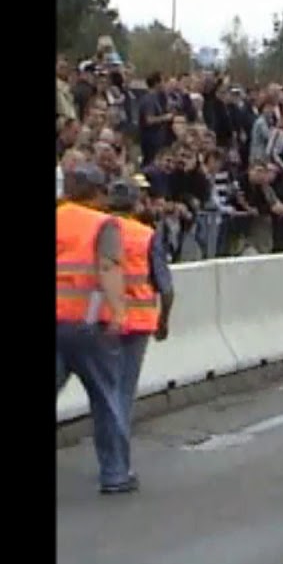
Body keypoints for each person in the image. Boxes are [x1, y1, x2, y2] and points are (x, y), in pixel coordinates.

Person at [56, 165, 137, 495]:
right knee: (107, 397)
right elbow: (108, 267)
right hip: (89, 324)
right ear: (99, 193)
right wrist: (118, 312)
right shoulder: (104, 224)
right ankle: (115, 473)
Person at [104, 178, 175, 432]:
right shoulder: (146, 235)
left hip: (104, 319)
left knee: (106, 387)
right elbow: (165, 288)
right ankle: (117, 456)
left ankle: (109, 444)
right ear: (136, 204)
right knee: (124, 389)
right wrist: (163, 321)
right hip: (138, 322)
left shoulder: (96, 231)